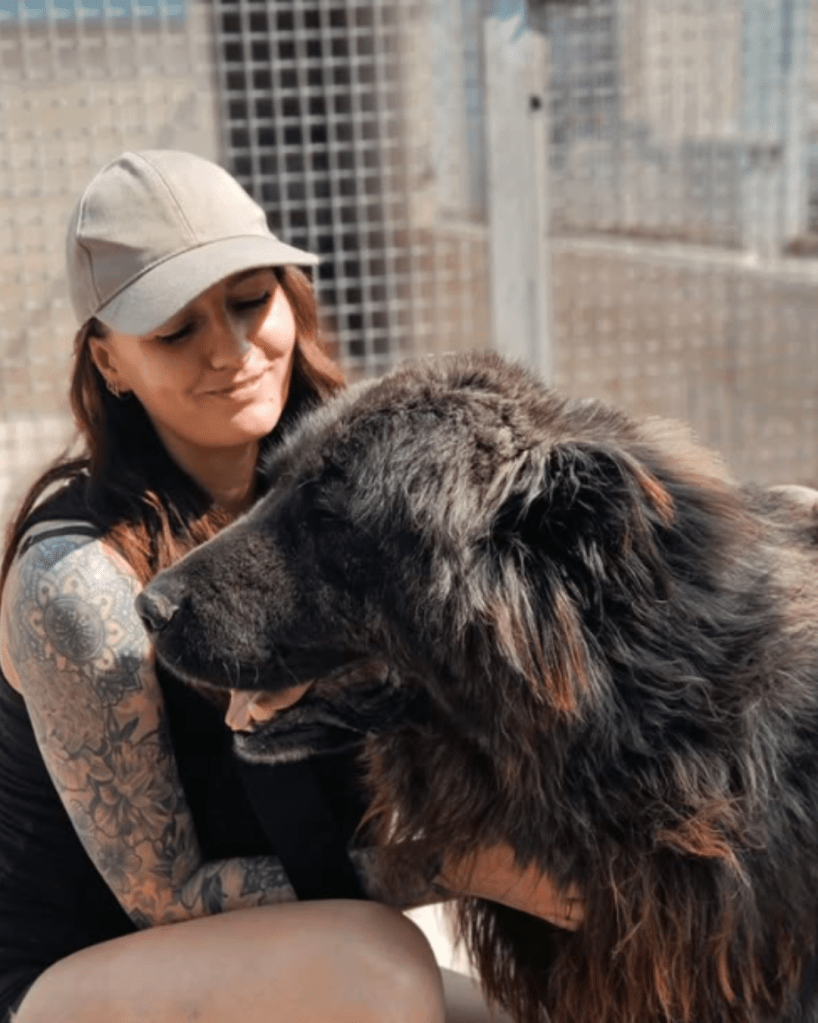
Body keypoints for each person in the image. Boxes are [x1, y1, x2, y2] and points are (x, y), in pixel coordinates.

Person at [0, 150, 580, 1023]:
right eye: (175, 330)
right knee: (381, 971)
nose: (231, 350)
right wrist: (477, 864)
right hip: (76, 976)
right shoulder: (76, 585)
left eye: (249, 300)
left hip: (296, 950)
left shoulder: (346, 494)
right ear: (110, 363)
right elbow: (168, 899)